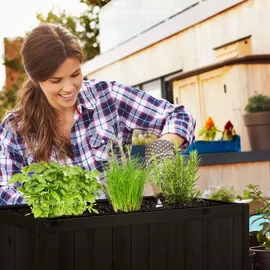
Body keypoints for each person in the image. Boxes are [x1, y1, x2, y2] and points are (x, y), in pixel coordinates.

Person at [0, 23, 196, 205]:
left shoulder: (107, 97)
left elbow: (179, 115)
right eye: (56, 80)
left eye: (75, 74)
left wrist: (162, 149)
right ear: (37, 79)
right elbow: (5, 191)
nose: (69, 88)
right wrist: (51, 207)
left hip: (114, 231)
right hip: (51, 237)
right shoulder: (15, 128)